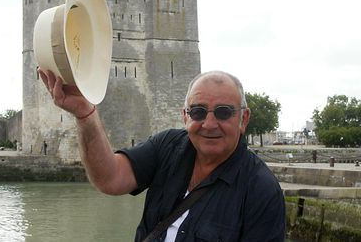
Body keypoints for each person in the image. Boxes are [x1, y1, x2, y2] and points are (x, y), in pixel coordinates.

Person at [39, 69, 286, 241]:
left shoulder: (261, 191)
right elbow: (109, 178)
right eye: (198, 111)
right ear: (185, 116)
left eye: (223, 112)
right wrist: (85, 114)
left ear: (243, 119)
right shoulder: (168, 146)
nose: (209, 123)